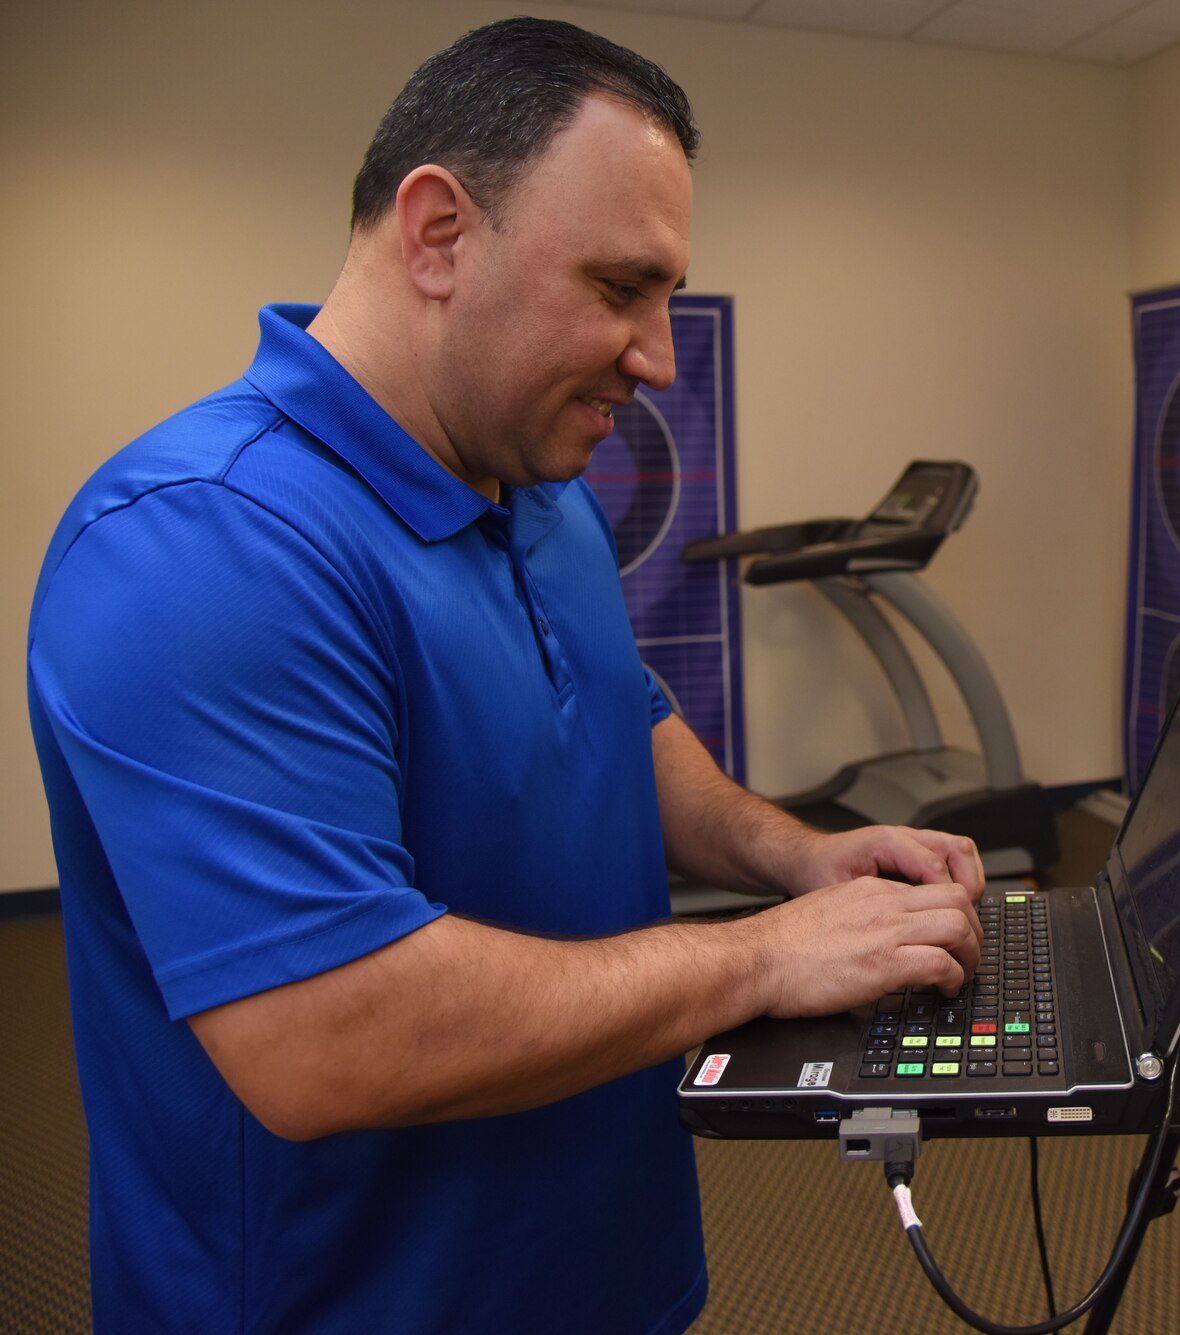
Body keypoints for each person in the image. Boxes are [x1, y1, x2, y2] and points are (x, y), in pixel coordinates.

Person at [25, 17, 984, 1334]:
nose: (655, 355)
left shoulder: (530, 475)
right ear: (438, 234)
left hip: (602, 1253)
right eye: (618, 287)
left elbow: (612, 714)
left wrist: (795, 857)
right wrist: (761, 957)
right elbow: (331, 1030)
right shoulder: (202, 543)